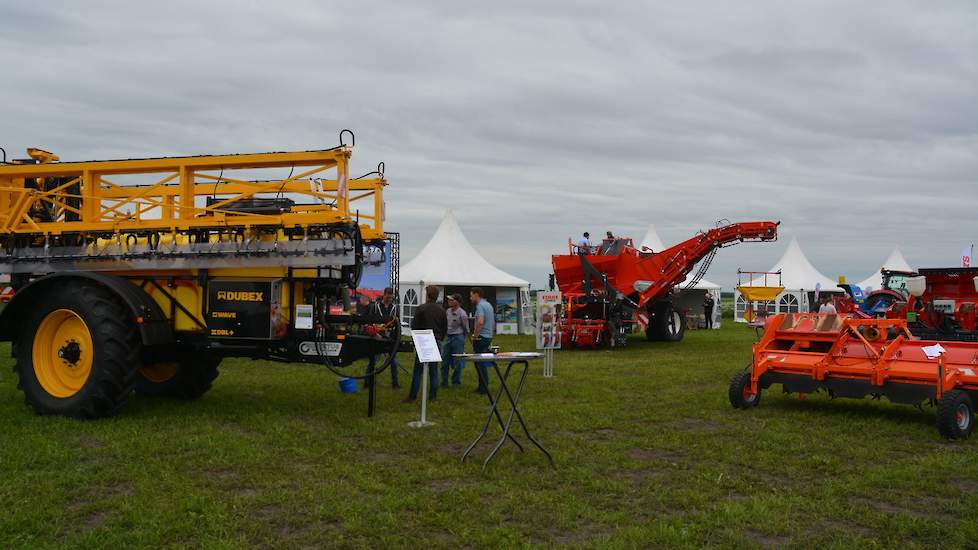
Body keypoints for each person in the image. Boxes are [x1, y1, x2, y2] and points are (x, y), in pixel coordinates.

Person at [405, 285, 446, 403]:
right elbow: (444, 328)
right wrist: (440, 338)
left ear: (427, 295)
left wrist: (415, 340)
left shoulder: (421, 309)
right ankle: (433, 396)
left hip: (423, 340)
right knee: (433, 371)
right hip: (436, 340)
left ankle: (412, 396)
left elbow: (415, 326)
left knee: (418, 371)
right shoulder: (441, 310)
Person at [371, 287, 401, 388]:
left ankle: (395, 383)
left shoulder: (395, 307)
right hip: (378, 335)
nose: (390, 298)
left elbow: (397, 322)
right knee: (374, 359)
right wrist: (375, 332)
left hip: (390, 336)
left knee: (392, 360)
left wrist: (396, 335)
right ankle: (368, 382)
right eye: (388, 296)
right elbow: (371, 319)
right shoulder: (376, 306)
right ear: (384, 295)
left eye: (391, 296)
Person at [470, 287, 495, 395]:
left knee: (480, 363)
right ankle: (482, 386)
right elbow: (493, 322)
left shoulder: (480, 306)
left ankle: (483, 388)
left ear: (476, 295)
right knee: (481, 362)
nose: (470, 298)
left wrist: (475, 336)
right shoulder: (488, 305)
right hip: (488, 336)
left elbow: (480, 321)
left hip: (481, 337)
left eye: (471, 295)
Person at [441, 294, 469, 388]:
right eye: (449, 300)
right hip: (448, 337)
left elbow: (466, 329)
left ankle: (456, 382)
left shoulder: (462, 314)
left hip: (458, 337)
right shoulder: (447, 311)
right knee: (444, 360)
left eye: (451, 300)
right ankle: (444, 382)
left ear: (457, 302)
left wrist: (462, 339)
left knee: (457, 361)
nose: (449, 301)